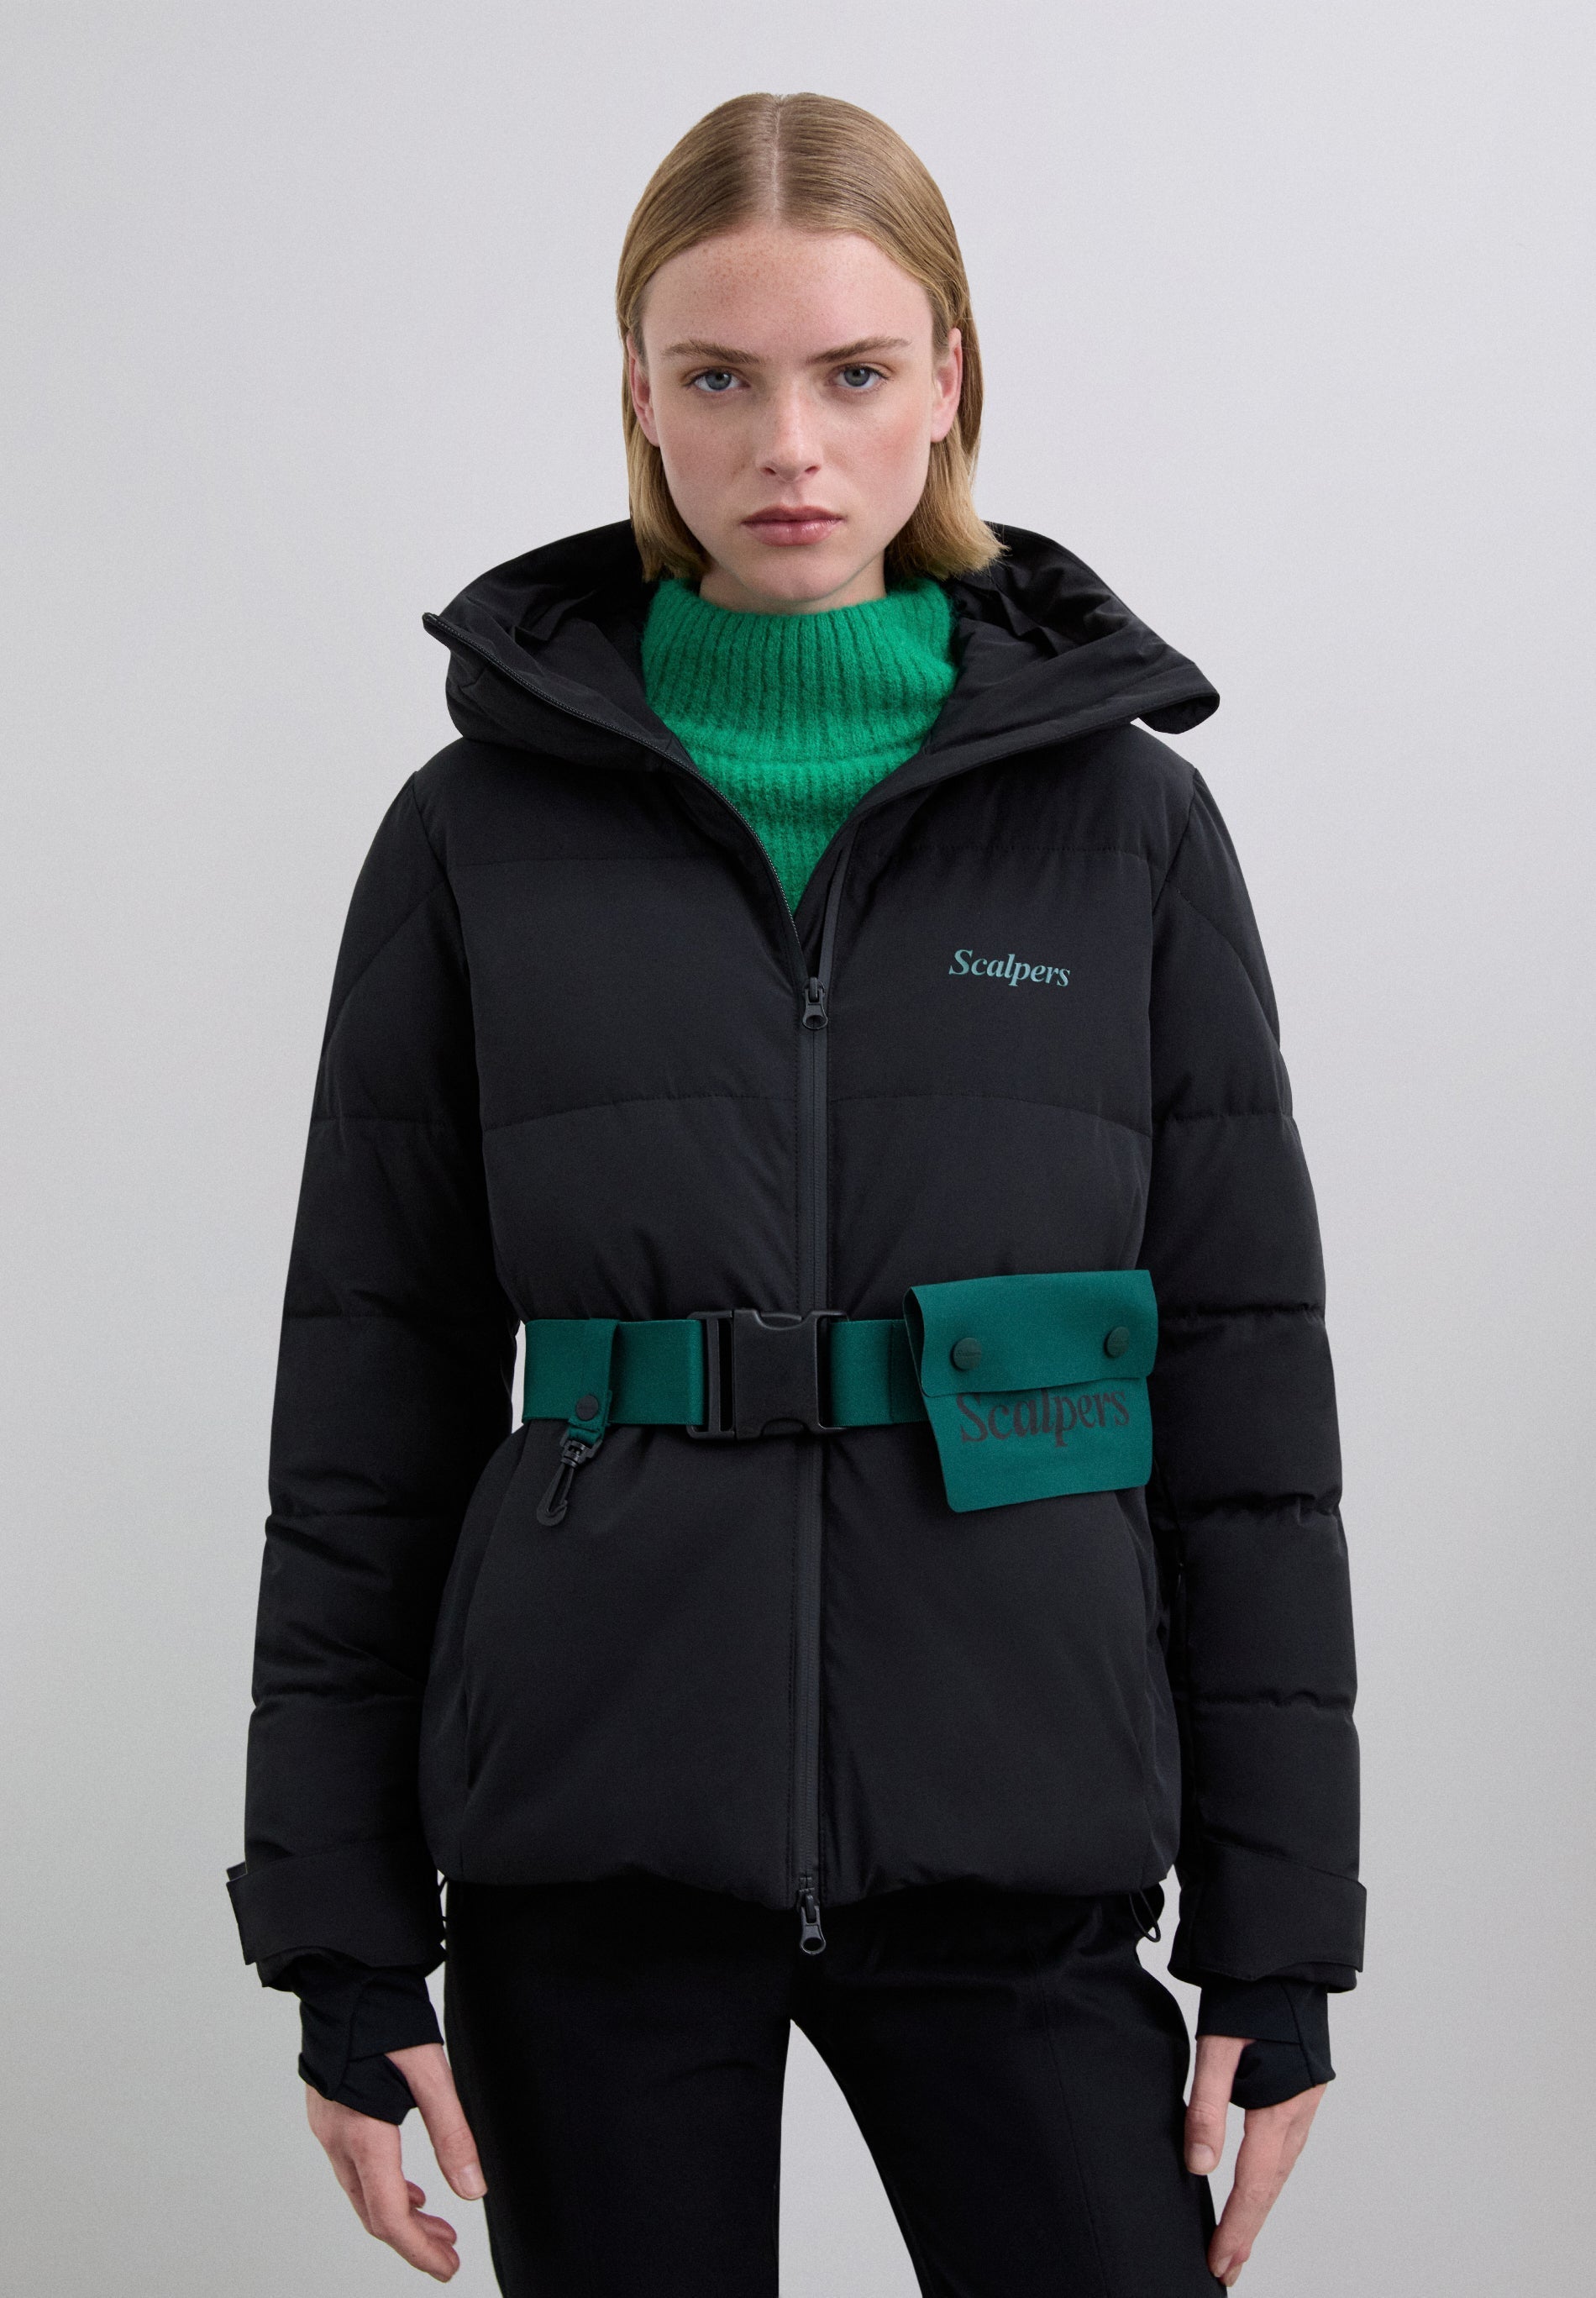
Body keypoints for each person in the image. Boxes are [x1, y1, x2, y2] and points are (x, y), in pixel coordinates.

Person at [227, 91, 1362, 2295]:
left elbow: (1248, 1415)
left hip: (1019, 1825)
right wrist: (340, 1945)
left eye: (851, 372)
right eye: (718, 377)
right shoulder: (472, 837)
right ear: (636, 397)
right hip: (591, 1845)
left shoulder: (1124, 832)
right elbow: (362, 1412)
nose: (790, 448)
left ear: (950, 378)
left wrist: (1279, 1929)